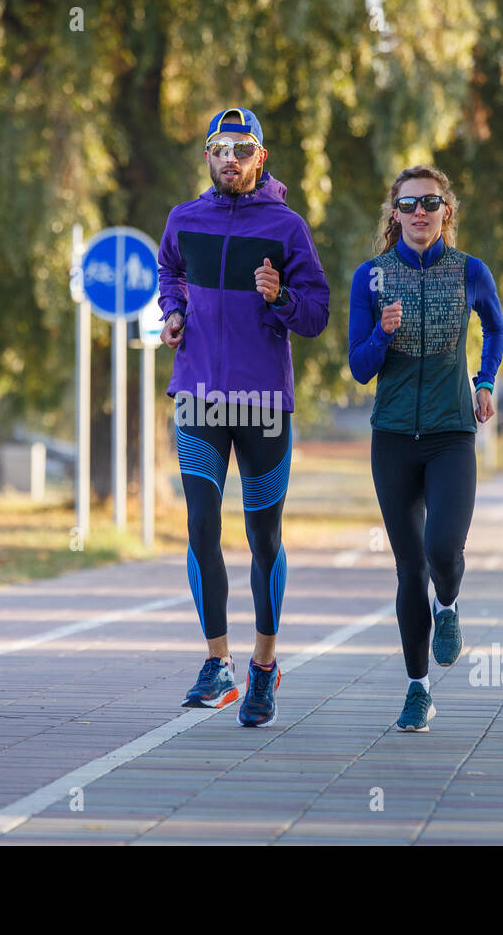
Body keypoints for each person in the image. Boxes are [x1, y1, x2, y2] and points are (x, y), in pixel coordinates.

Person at [156, 107, 330, 727]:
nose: (229, 158)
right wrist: (173, 313)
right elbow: (170, 271)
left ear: (261, 158)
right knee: (201, 523)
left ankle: (264, 665)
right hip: (198, 395)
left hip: (262, 404)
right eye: (219, 148)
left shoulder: (287, 228)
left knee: (263, 541)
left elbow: (316, 313)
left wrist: (278, 296)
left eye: (242, 148)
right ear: (207, 155)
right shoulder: (184, 219)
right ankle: (217, 664)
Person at [348, 164, 503, 732]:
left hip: (450, 434)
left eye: (431, 204)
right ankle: (418, 689)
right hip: (391, 437)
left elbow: (496, 326)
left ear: (446, 213)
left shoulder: (469, 270)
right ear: (395, 214)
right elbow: (360, 368)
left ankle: (450, 605)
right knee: (409, 565)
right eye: (409, 205)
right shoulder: (370, 277)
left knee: (443, 548)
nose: (420, 213)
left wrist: (484, 381)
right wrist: (381, 333)